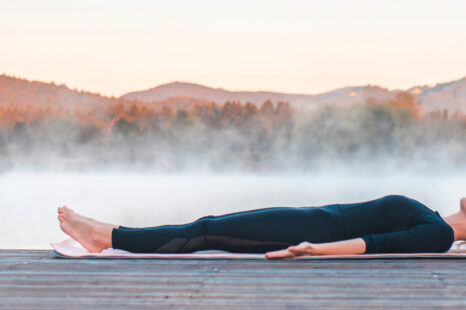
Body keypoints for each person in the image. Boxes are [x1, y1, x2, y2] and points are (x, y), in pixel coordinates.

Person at [57, 195, 466, 258]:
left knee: (204, 231)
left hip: (309, 231)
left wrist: (313, 249)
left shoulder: (440, 235)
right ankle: (107, 233)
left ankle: (105, 237)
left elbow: (373, 244)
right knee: (207, 227)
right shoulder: (436, 221)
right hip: (309, 219)